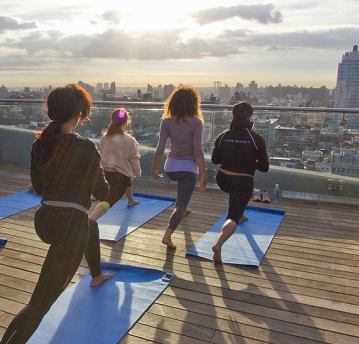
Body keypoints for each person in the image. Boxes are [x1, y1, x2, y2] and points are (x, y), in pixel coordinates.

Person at [0, 84, 115, 344]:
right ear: (79, 113)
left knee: (86, 229)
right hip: (69, 225)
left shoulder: (41, 144)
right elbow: (102, 193)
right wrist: (105, 176)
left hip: (46, 219)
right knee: (39, 305)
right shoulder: (87, 148)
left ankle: (96, 272)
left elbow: (37, 185)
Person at [210, 101, 269, 263]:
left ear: (232, 116)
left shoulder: (223, 137)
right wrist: (250, 162)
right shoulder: (256, 139)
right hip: (242, 181)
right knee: (232, 217)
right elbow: (264, 167)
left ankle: (241, 214)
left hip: (223, 178)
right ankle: (218, 243)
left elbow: (215, 160)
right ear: (250, 117)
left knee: (236, 195)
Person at [151, 85, 207, 249]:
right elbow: (197, 151)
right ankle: (167, 235)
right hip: (188, 169)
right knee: (179, 206)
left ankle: (185, 206)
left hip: (170, 168)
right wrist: (204, 175)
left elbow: (160, 148)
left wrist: (154, 168)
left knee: (183, 197)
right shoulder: (196, 123)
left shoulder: (166, 121)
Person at [89, 108, 141, 221]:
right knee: (108, 201)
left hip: (104, 174)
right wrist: (138, 172)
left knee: (127, 176)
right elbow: (134, 160)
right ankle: (91, 220)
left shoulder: (104, 138)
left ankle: (131, 200)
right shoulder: (130, 141)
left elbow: (101, 155)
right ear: (126, 122)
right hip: (119, 177)